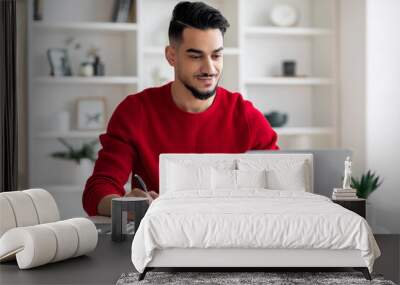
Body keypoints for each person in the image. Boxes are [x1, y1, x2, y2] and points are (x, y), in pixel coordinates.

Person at [82, 1, 279, 217]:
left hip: (232, 236)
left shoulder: (246, 116)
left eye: (216, 55)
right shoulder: (135, 111)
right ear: (171, 56)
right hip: (160, 240)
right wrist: (126, 206)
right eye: (196, 56)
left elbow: (282, 184)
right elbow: (98, 190)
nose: (209, 68)